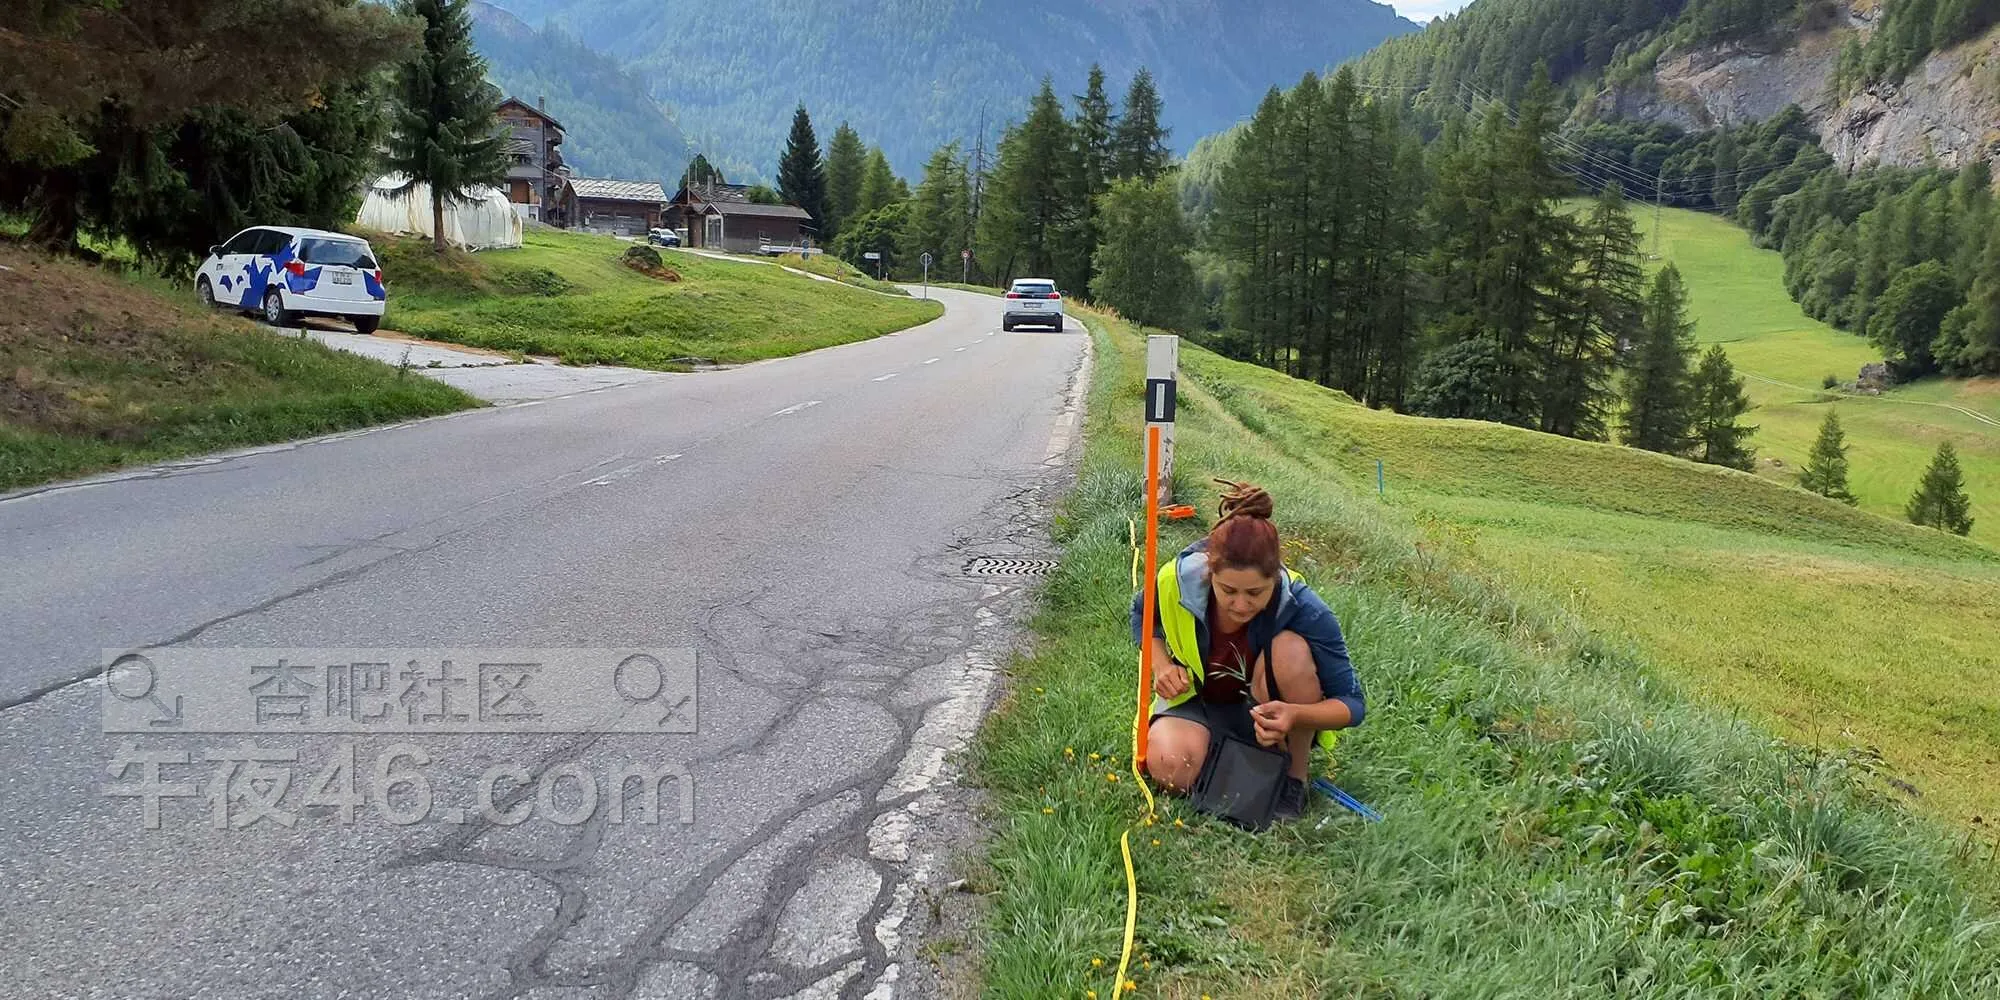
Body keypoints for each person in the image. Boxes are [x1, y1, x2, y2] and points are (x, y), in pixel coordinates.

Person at [1128, 479, 1365, 820]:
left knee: (1290, 650)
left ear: (1276, 578)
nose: (1240, 605)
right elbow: (1142, 613)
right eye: (1228, 590)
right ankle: (1223, 756)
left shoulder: (1306, 608)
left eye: (1255, 593)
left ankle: (1293, 778)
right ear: (1210, 572)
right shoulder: (1175, 580)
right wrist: (1162, 665)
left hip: (1265, 710)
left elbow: (1352, 704)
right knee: (1170, 767)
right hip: (1198, 701)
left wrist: (1295, 715)